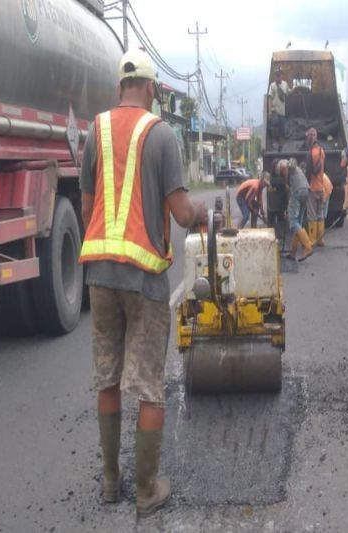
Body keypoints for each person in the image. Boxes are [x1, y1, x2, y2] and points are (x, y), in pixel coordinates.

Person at [79, 49, 207, 518]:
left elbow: (89, 200)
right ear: (152, 89)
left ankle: (112, 481)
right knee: (150, 385)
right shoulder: (161, 135)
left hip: (99, 274)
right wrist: (201, 216)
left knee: (106, 376)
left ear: (119, 87)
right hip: (145, 276)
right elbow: (180, 211)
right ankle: (147, 488)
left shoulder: (94, 132)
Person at [277, 158, 312, 261]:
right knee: (298, 224)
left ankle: (308, 247)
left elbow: (284, 167)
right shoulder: (296, 170)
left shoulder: (285, 165)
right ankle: (293, 252)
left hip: (298, 191)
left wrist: (285, 183)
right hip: (305, 191)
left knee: (293, 223)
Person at [304, 128, 326, 246]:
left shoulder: (310, 153)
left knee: (312, 215)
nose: (307, 139)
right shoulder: (322, 151)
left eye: (308, 137)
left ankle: (312, 239)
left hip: (312, 188)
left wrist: (306, 185)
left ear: (311, 137)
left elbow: (308, 172)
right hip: (321, 187)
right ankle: (321, 239)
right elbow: (324, 169)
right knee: (320, 214)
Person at [268, 68, 290, 152]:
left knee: (282, 131)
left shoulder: (285, 84)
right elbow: (270, 98)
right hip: (274, 110)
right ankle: (274, 141)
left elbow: (288, 93)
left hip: (282, 112)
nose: (278, 76)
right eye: (276, 75)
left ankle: (280, 147)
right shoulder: (272, 85)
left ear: (282, 76)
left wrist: (296, 91)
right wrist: (270, 111)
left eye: (279, 75)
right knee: (274, 123)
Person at [316, 171, 334, 246]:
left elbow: (321, 189)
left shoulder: (317, 177)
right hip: (328, 189)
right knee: (322, 216)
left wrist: (322, 199)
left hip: (325, 191)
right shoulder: (319, 174)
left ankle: (320, 239)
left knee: (320, 216)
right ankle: (319, 238)